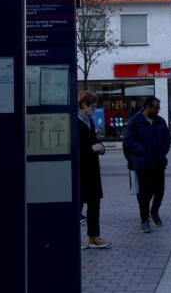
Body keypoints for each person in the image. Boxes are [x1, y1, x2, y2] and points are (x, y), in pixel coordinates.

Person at [123, 96, 171, 233]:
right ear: (147, 107)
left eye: (158, 108)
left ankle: (154, 211)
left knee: (159, 190)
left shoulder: (160, 121)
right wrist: (142, 151)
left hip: (158, 162)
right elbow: (128, 140)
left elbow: (167, 138)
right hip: (142, 164)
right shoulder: (135, 121)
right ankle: (144, 219)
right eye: (155, 108)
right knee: (143, 194)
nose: (158, 110)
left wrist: (163, 151)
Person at [78, 91, 112, 249]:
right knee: (77, 205)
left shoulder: (89, 121)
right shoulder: (74, 121)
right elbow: (73, 147)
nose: (94, 110)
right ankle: (75, 237)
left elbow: (95, 140)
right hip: (80, 169)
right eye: (92, 107)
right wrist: (92, 148)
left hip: (92, 169)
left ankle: (94, 236)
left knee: (94, 203)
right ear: (83, 105)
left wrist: (101, 148)